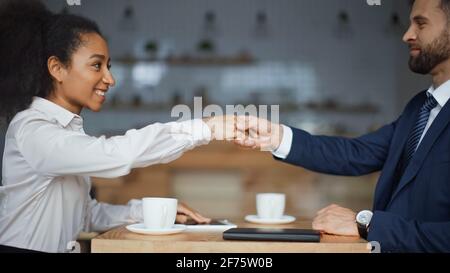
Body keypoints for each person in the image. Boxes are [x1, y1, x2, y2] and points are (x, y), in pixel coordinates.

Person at [0, 0, 235, 253]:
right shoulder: (32, 129)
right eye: (96, 65)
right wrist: (205, 128)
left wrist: (146, 211)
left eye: (108, 66)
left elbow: (86, 215)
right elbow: (119, 153)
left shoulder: (65, 131)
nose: (110, 79)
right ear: (57, 68)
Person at [236, 0, 450, 252]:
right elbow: (357, 153)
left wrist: (367, 225)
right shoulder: (419, 107)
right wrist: (277, 137)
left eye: (421, 23)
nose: (407, 35)